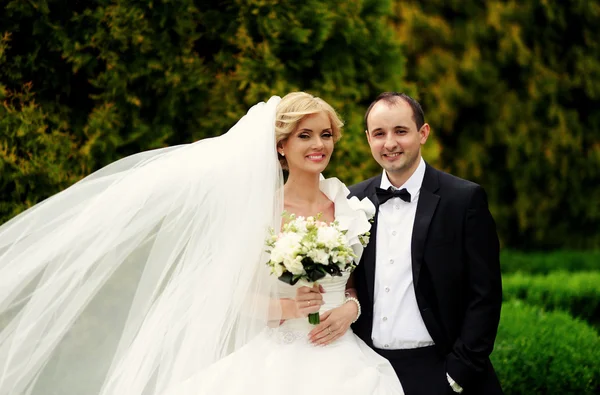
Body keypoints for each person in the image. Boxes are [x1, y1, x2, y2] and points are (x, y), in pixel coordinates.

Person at [0, 92, 405, 395]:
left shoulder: (348, 204)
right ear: (282, 145)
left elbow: (354, 280)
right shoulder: (262, 213)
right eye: (305, 135)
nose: (319, 145)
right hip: (283, 354)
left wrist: (351, 307)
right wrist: (287, 306)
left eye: (325, 134)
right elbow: (230, 297)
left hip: (346, 354)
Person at [349, 92, 504, 395]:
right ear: (368, 139)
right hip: (370, 372)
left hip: (439, 370)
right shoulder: (353, 201)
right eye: (379, 133)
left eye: (401, 131)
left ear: (423, 133)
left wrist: (456, 375)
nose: (390, 143)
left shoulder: (463, 199)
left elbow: (485, 294)